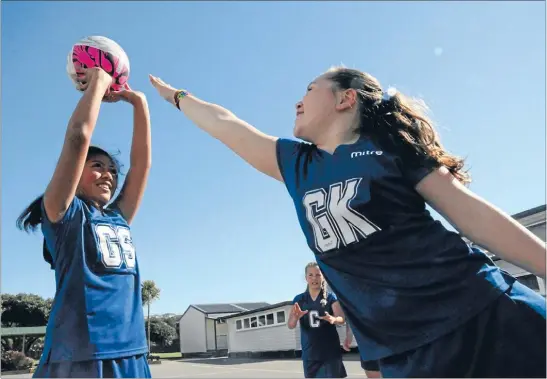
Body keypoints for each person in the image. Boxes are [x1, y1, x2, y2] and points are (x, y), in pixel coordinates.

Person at [148, 67, 546, 377]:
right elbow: (225, 124)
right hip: (403, 351)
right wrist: (174, 96)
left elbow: (472, 216)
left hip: (484, 315)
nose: (297, 101)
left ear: (346, 98)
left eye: (308, 89)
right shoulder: (296, 164)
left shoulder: (389, 148)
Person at [17, 67, 152, 378]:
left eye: (112, 170)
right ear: (75, 174)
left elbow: (142, 164)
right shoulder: (64, 214)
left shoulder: (119, 216)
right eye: (97, 166)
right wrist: (99, 82)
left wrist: (139, 103)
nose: (108, 174)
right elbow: (78, 138)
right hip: (79, 355)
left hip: (132, 353)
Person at [287, 262, 347, 378]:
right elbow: (290, 325)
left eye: (318, 275)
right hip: (310, 354)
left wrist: (333, 319)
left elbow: (342, 319)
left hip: (330, 353)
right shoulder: (299, 299)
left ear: (323, 276)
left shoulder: (330, 297)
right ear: (306, 278)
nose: (314, 278)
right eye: (310, 275)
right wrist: (295, 317)